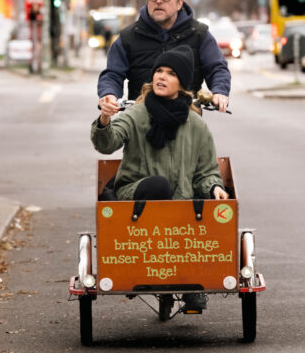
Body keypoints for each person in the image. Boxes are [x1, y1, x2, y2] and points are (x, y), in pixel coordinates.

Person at [92, 45, 227, 310]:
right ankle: (154, 273)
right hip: (136, 197)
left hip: (182, 206)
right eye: (158, 71)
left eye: (170, 73)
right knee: (159, 185)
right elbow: (107, 144)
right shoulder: (136, 114)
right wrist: (105, 120)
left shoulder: (196, 124)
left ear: (182, 84)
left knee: (197, 205)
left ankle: (188, 281)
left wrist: (214, 188)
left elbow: (206, 171)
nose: (161, 77)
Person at [97, 0, 231, 113]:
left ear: (179, 3)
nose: (159, 1)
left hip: (186, 118)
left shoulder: (199, 34)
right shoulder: (128, 36)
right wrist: (109, 94)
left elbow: (217, 68)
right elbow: (112, 74)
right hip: (140, 121)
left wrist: (220, 91)